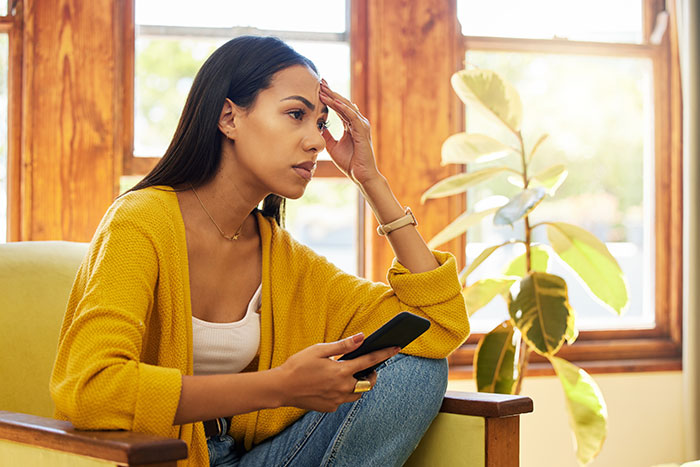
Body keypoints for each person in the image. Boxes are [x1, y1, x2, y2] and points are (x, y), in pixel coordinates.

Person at [49, 35, 470, 467]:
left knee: (418, 368)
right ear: (229, 117)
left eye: (321, 123)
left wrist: (371, 180)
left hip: (248, 457)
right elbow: (92, 389)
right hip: (160, 458)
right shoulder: (140, 222)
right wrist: (281, 386)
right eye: (295, 114)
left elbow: (437, 325)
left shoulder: (280, 255)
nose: (318, 142)